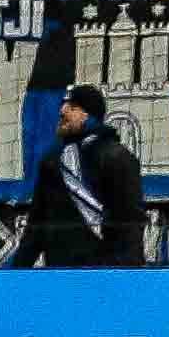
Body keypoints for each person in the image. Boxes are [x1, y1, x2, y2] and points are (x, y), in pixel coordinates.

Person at [28, 81, 148, 267]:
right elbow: (36, 228)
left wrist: (128, 277)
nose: (62, 111)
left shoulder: (118, 158)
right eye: (63, 105)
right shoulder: (51, 162)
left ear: (89, 115)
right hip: (61, 276)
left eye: (73, 107)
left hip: (106, 275)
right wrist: (13, 277)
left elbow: (130, 224)